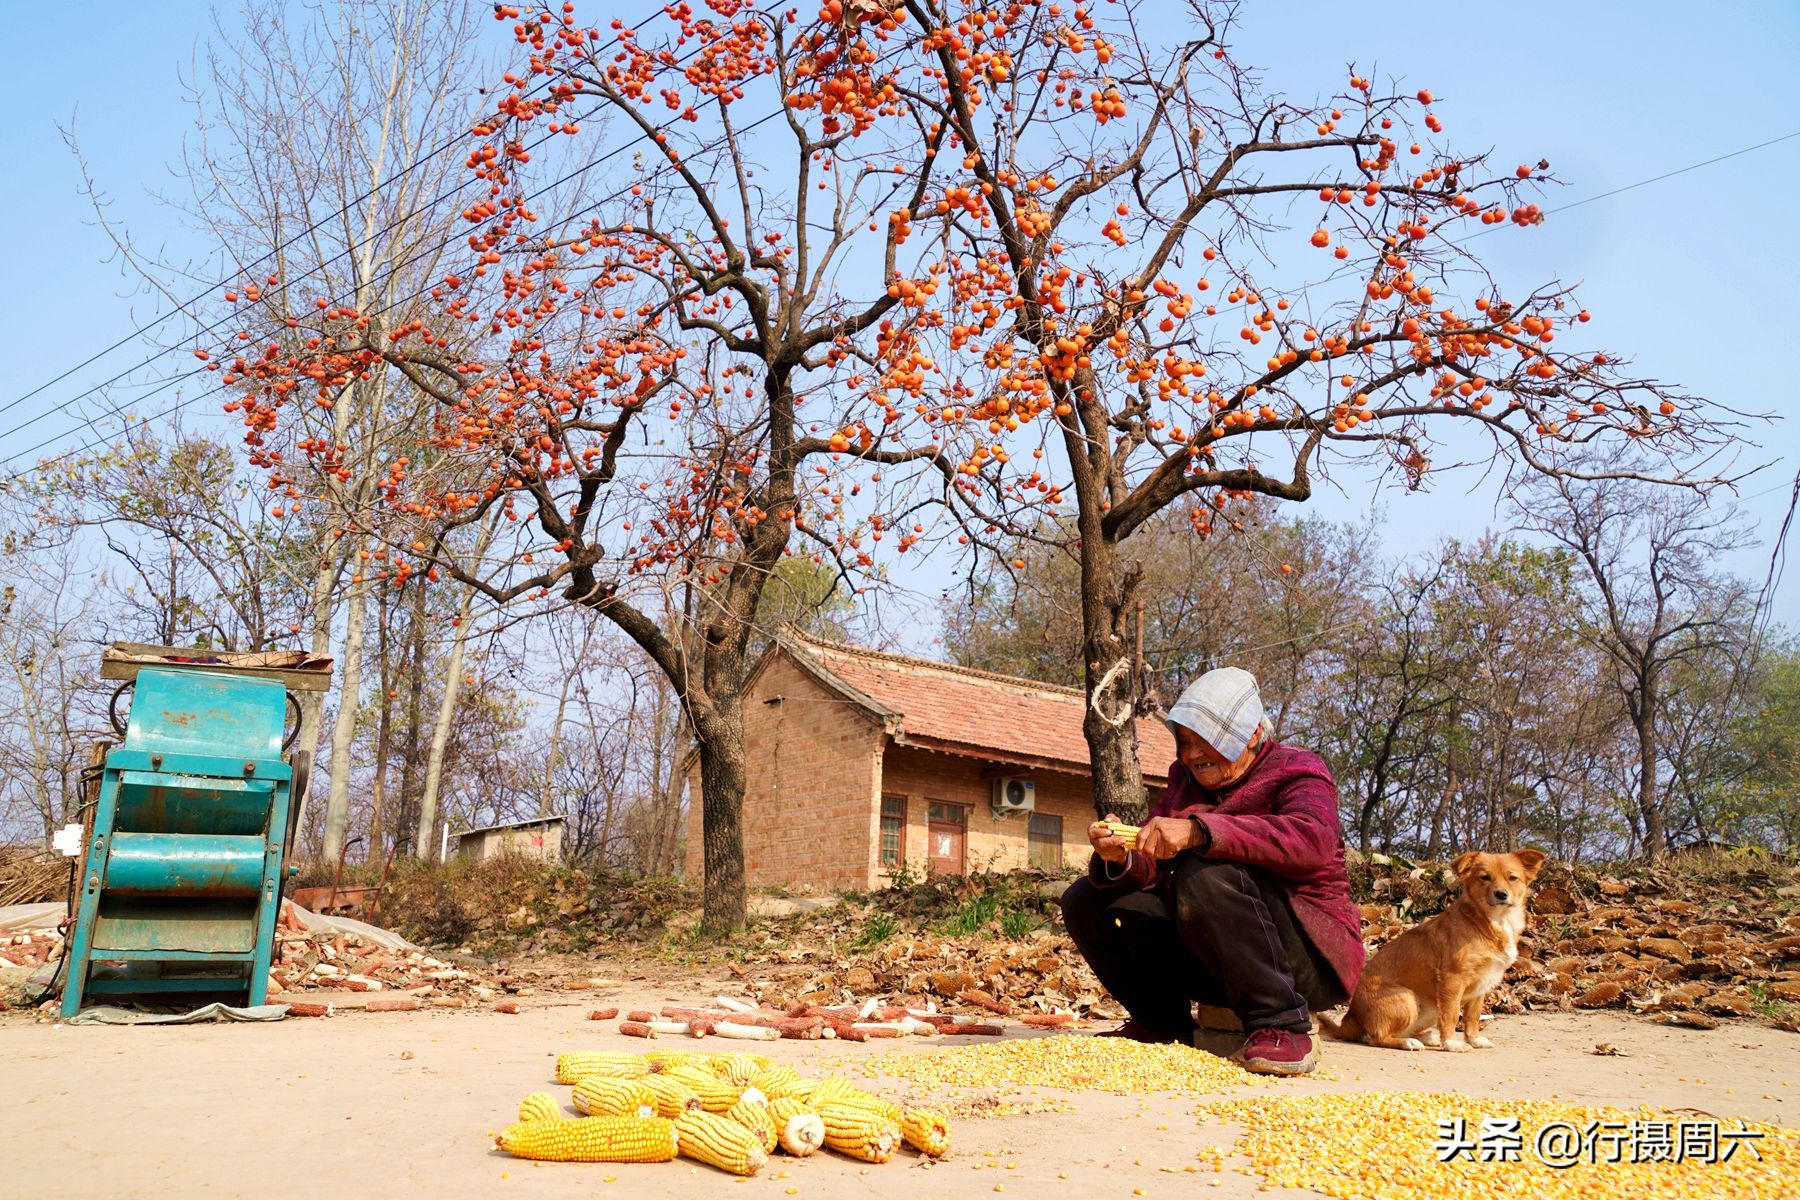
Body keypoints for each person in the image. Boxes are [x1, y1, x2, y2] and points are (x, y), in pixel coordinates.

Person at [1059, 667, 1364, 1075]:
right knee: (1087, 897)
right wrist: (1123, 857)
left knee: (1204, 872)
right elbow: (1156, 867)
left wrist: (1200, 832)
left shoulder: (1299, 771)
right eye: (1185, 741)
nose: (1192, 755)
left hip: (1305, 960)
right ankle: (1162, 1024)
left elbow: (1311, 842)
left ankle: (1283, 1026)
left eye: (1208, 741)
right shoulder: (1184, 781)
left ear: (1252, 735)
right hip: (1217, 958)